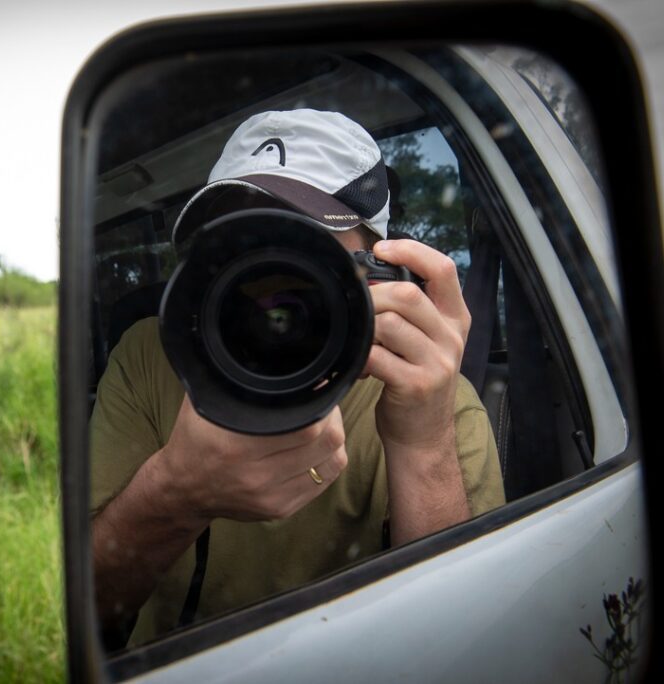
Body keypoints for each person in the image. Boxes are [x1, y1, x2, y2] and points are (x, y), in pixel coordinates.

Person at [89, 109, 506, 647]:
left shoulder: (424, 394)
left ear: (382, 272)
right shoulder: (151, 354)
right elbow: (74, 607)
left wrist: (422, 444)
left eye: (301, 248)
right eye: (241, 247)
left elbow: (460, 646)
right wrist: (175, 495)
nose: (270, 290)